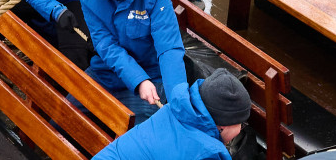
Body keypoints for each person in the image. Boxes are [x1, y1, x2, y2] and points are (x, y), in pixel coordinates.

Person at [80, 0, 187, 122]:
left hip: (151, 77)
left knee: (144, 125)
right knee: (64, 116)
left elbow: (169, 47)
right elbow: (106, 45)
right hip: (105, 73)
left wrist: (178, 99)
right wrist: (137, 79)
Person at [92, 68, 251, 160]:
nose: (240, 130)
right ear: (224, 125)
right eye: (241, 124)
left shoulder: (171, 110)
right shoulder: (208, 153)